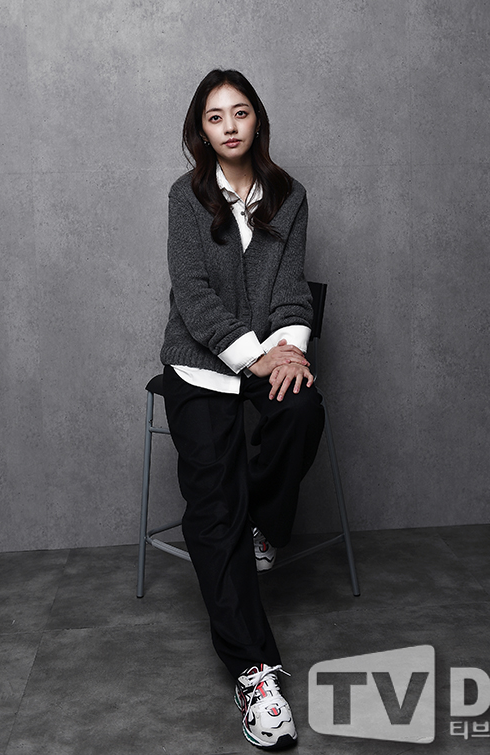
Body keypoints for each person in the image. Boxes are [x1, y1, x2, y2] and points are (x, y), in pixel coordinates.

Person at [160, 68, 325, 750]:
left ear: (258, 120)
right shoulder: (186, 196)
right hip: (201, 363)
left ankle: (264, 526)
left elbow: (290, 291)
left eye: (240, 112)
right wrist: (253, 357)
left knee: (302, 410)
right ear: (201, 131)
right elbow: (192, 295)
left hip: (267, 354)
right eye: (214, 116)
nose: (229, 126)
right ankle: (255, 673)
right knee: (212, 509)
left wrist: (289, 354)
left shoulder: (289, 195)